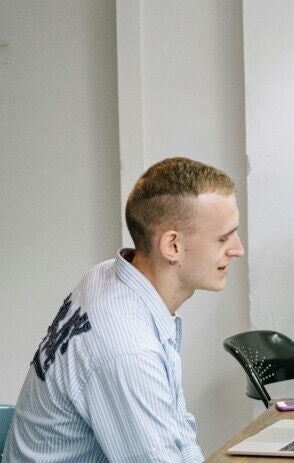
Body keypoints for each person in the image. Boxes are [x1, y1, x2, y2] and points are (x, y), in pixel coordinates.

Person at [3, 157, 245, 462]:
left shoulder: (109, 276)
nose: (238, 249)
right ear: (172, 246)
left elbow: (177, 431)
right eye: (223, 238)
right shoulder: (127, 348)